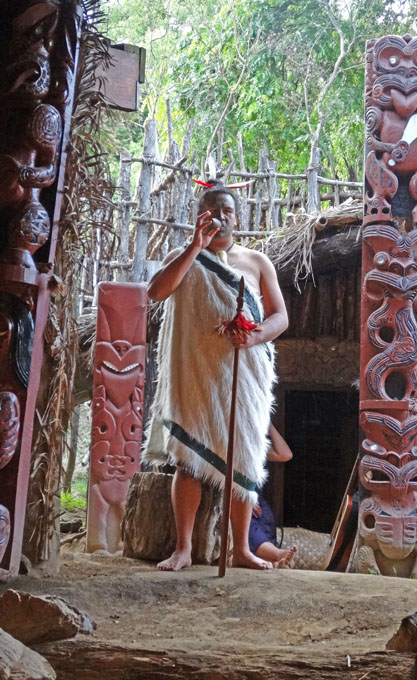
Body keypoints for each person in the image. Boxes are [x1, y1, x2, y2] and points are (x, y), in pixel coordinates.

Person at [145, 181, 288, 571]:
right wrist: (193, 248)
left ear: (236, 217)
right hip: (195, 371)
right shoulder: (184, 256)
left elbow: (280, 317)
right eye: (211, 212)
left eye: (226, 211)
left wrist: (254, 335)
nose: (220, 219)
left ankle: (241, 550)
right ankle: (183, 549)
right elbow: (156, 292)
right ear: (199, 218)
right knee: (189, 461)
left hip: (244, 373)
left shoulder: (257, 262)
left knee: (244, 457)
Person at [248, 424, 297, 568]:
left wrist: (267, 422)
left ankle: (276, 562)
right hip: (237, 497)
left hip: (258, 502)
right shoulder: (225, 443)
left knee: (264, 516)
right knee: (249, 523)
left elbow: (285, 454)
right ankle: (278, 555)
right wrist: (244, 497)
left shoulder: (254, 447)